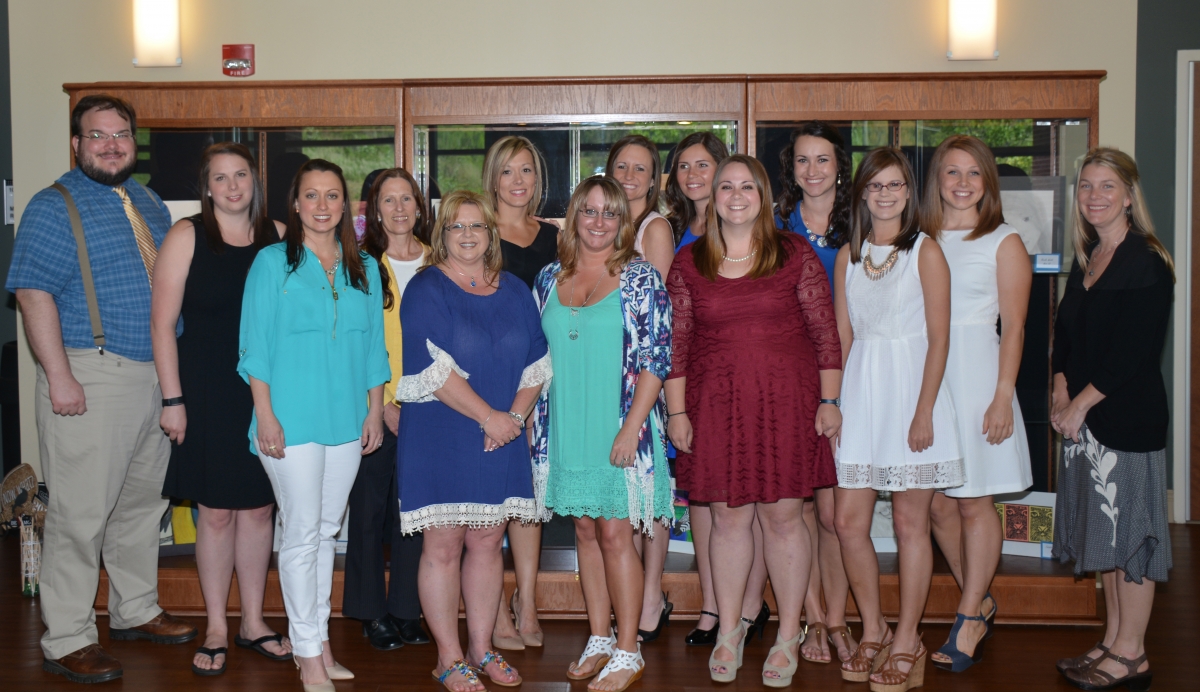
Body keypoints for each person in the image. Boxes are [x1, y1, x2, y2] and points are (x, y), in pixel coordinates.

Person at [7, 94, 198, 685]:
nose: (111, 146)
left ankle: (134, 608)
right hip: (91, 373)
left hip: (156, 376)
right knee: (80, 514)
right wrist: (58, 375)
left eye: (121, 135)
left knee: (142, 507)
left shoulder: (148, 202)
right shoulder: (52, 205)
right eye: (98, 135)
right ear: (77, 144)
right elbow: (32, 292)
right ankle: (67, 637)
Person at [666, 154, 842, 686]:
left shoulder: (793, 253)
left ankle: (788, 633)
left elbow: (824, 332)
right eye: (726, 186)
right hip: (714, 407)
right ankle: (729, 630)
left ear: (763, 196)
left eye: (747, 186)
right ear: (714, 196)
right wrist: (676, 411)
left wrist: (830, 401)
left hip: (787, 404)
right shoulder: (689, 261)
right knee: (727, 520)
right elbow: (675, 345)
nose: (736, 196)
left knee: (785, 519)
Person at [238, 158, 390, 692]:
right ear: (296, 204)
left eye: (332, 195)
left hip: (347, 419)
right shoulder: (271, 263)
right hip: (288, 420)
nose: (322, 205)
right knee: (302, 534)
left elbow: (374, 349)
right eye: (311, 195)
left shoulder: (364, 266)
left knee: (326, 532)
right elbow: (254, 347)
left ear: (345, 205)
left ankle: (319, 641)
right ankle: (306, 654)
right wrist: (264, 415)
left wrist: (375, 410)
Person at [396, 190, 550, 692]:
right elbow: (431, 369)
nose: (467, 235)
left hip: (501, 434)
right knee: (443, 545)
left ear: (491, 234)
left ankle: (482, 648)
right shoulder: (426, 288)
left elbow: (537, 363)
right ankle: (448, 657)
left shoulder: (516, 290)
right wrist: (490, 418)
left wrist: (513, 419)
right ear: (442, 234)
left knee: (487, 541)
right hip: (442, 432)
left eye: (477, 226)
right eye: (457, 226)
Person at [531, 175, 675, 691]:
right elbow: (537, 356)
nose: (598, 221)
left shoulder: (640, 278)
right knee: (586, 532)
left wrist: (632, 428)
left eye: (609, 213)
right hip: (567, 423)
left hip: (619, 424)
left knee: (615, 534)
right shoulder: (548, 277)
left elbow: (657, 359)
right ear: (574, 217)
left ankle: (628, 649)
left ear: (623, 222)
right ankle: (599, 637)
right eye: (589, 211)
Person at [153, 142, 289, 675]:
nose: (233, 186)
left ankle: (252, 622)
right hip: (205, 390)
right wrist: (172, 400)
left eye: (241, 175)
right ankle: (215, 626)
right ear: (206, 188)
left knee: (258, 509)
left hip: (265, 395)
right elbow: (162, 324)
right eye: (220, 178)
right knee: (214, 513)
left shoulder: (280, 236)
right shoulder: (186, 236)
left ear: (254, 181)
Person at [833, 147, 962, 691]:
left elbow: (940, 338)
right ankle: (875, 628)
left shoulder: (925, 251)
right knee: (847, 522)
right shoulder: (849, 256)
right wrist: (835, 404)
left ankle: (908, 638)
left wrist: (924, 409)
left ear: (909, 192)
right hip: (861, 394)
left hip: (912, 393)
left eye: (895, 185)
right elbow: (843, 339)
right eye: (875, 186)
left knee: (912, 524)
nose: (885, 195)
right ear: (862, 193)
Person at [1050, 147, 1173, 692]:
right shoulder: (1090, 256)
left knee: (1133, 542)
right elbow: (1066, 334)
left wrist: (1079, 404)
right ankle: (1113, 640)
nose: (1094, 196)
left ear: (1128, 196)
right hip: (1084, 425)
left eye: (1106, 186)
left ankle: (1132, 654)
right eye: (1086, 186)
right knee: (1108, 534)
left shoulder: (1146, 259)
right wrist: (1060, 386)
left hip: (1125, 422)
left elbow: (1133, 354)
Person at [920, 136, 1033, 673]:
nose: (962, 183)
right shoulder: (919, 238)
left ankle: (967, 618)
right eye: (952, 172)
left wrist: (1002, 396)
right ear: (937, 180)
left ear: (987, 181)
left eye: (973, 173)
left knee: (973, 503)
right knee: (938, 504)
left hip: (979, 379)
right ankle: (980, 599)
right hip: (929, 381)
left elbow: (1015, 328)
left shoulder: (1003, 241)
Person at [664, 134, 771, 648]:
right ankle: (714, 605)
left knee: (752, 499)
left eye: (703, 165)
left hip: (751, 386)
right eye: (683, 166)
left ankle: (750, 606)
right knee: (703, 501)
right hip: (695, 389)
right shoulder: (674, 232)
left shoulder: (758, 231)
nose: (693, 175)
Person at [774, 121, 859, 665]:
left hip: (853, 375)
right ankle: (810, 618)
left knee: (834, 515)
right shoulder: (776, 226)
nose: (812, 170)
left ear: (839, 166)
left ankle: (839, 617)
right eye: (802, 160)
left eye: (822, 159)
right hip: (792, 375)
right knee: (797, 507)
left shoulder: (865, 222)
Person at [343, 168, 431, 651]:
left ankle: (406, 610)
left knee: (415, 515)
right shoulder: (359, 266)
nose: (399, 209)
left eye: (407, 199)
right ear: (374, 211)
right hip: (376, 408)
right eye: (388, 201)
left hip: (434, 409)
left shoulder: (440, 261)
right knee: (369, 513)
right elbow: (351, 345)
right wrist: (381, 405)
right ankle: (370, 611)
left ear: (419, 207)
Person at [481, 135, 556, 650]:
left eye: (526, 170)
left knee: (531, 495)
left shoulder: (554, 237)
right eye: (507, 171)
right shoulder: (478, 233)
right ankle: (493, 610)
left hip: (546, 378)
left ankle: (527, 601)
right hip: (492, 382)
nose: (517, 181)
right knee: (495, 497)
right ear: (493, 178)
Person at [605, 135, 675, 642]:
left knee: (648, 493)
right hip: (603, 380)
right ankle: (624, 596)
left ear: (654, 180)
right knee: (619, 498)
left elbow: (656, 322)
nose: (629, 177)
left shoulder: (654, 229)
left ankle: (652, 594)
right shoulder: (601, 224)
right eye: (621, 167)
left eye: (640, 169)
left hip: (642, 381)